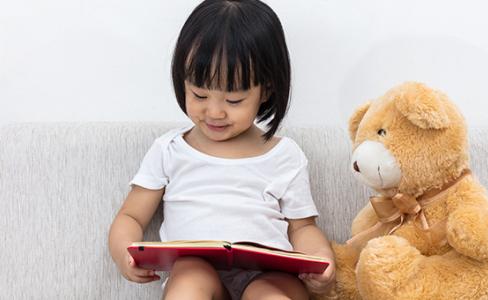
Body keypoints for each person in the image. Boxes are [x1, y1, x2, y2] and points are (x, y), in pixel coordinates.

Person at [108, 0, 336, 299]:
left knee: (271, 295)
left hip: (269, 274)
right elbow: (131, 217)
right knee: (189, 280)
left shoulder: (284, 155)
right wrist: (124, 254)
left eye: (233, 101)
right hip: (197, 271)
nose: (214, 112)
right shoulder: (170, 150)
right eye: (199, 95)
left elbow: (302, 228)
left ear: (265, 90)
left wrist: (322, 262)